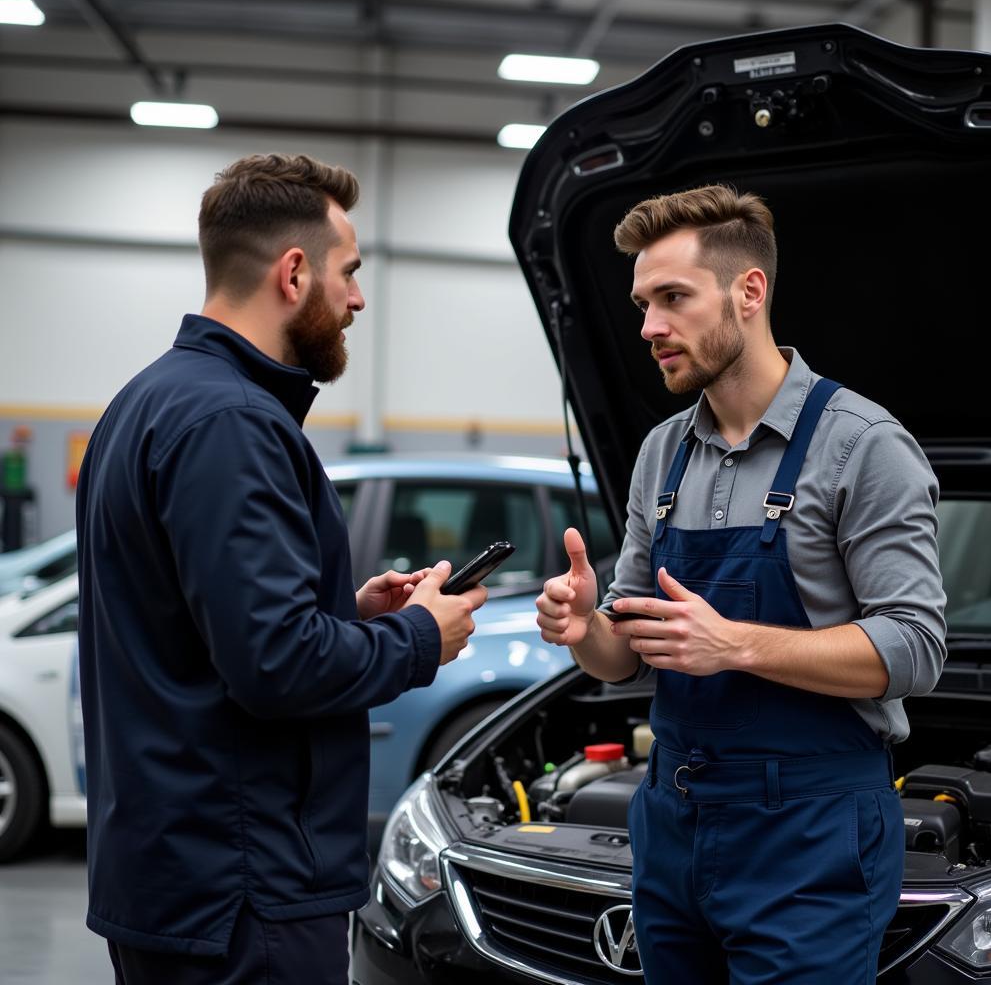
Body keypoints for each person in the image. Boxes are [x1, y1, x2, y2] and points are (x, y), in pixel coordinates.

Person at [76, 153, 487, 984]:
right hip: (242, 887)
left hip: (178, 874)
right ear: (293, 272)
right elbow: (274, 663)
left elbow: (201, 629)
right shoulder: (232, 422)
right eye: (351, 273)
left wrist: (351, 613)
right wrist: (416, 637)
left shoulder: (148, 399)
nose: (359, 299)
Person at [536, 185, 946, 984]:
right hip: (673, 821)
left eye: (673, 298)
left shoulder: (864, 447)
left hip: (810, 830)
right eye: (642, 303)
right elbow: (627, 657)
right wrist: (588, 626)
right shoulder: (662, 452)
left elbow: (916, 645)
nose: (650, 327)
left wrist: (734, 644)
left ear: (749, 291)